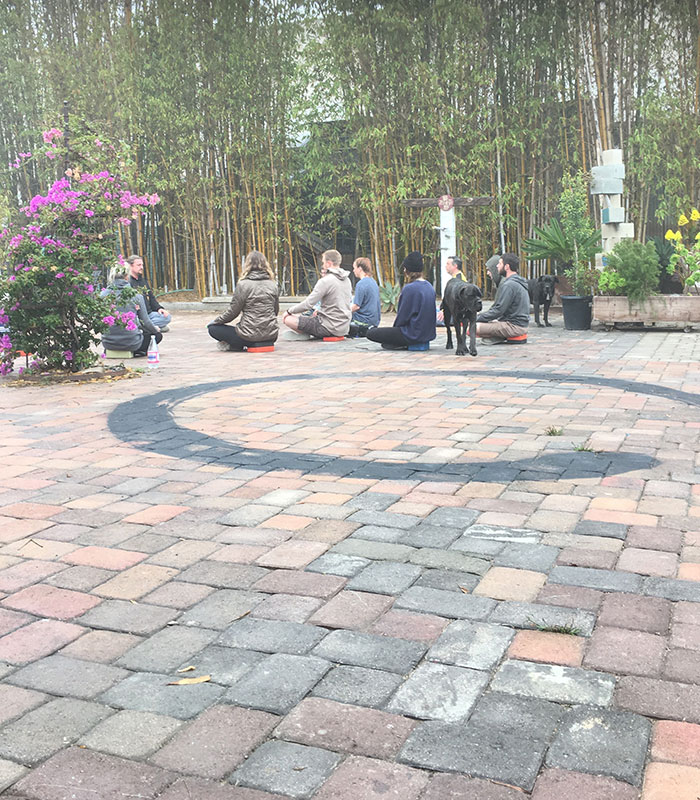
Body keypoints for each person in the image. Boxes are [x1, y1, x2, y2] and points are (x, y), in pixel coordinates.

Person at [208, 250, 279, 351]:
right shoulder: (272, 285)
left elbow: (233, 312)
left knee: (213, 329)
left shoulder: (243, 285)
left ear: (247, 265)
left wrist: (215, 322)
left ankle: (236, 346)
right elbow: (275, 311)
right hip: (271, 335)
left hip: (249, 336)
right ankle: (238, 345)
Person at [366, 251, 436, 349]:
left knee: (371, 333)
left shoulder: (410, 288)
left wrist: (394, 332)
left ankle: (399, 344)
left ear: (407, 270)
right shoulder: (429, 286)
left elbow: (403, 317)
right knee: (387, 342)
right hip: (427, 334)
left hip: (411, 334)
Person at [283, 249, 352, 338]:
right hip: (344, 327)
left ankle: (304, 335)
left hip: (328, 327)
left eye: (323, 263)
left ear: (328, 264)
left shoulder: (326, 281)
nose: (322, 265)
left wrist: (289, 311)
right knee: (308, 318)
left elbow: (308, 304)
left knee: (288, 319)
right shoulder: (347, 280)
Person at [101, 263, 162, 357]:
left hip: (108, 343)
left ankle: (113, 349)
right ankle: (138, 351)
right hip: (132, 343)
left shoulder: (103, 295)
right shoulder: (136, 296)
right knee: (157, 336)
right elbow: (146, 322)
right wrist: (155, 329)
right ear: (127, 276)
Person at [476, 253, 530, 343]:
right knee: (485, 322)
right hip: (519, 324)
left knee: (472, 328)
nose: (497, 266)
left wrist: (476, 318)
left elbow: (498, 310)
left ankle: (500, 336)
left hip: (514, 327)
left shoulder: (509, 285)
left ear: (506, 267)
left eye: (500, 263)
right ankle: (498, 336)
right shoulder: (517, 281)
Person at [127, 254, 172, 332]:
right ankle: (151, 327)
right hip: (137, 315)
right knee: (135, 321)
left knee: (167, 317)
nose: (141, 267)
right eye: (138, 265)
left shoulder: (143, 281)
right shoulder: (127, 282)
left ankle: (147, 327)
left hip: (149, 314)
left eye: (142, 265)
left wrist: (159, 308)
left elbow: (151, 298)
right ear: (130, 266)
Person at [348, 257, 381, 337]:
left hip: (364, 321)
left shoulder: (361, 284)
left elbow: (356, 307)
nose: (353, 270)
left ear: (359, 268)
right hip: (374, 321)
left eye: (354, 268)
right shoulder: (373, 281)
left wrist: (343, 312)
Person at [437, 256, 466, 323]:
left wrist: (444, 311)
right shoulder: (455, 278)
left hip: (455, 315)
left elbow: (458, 302)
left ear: (455, 266)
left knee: (428, 318)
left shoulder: (459, 280)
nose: (445, 266)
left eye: (448, 264)